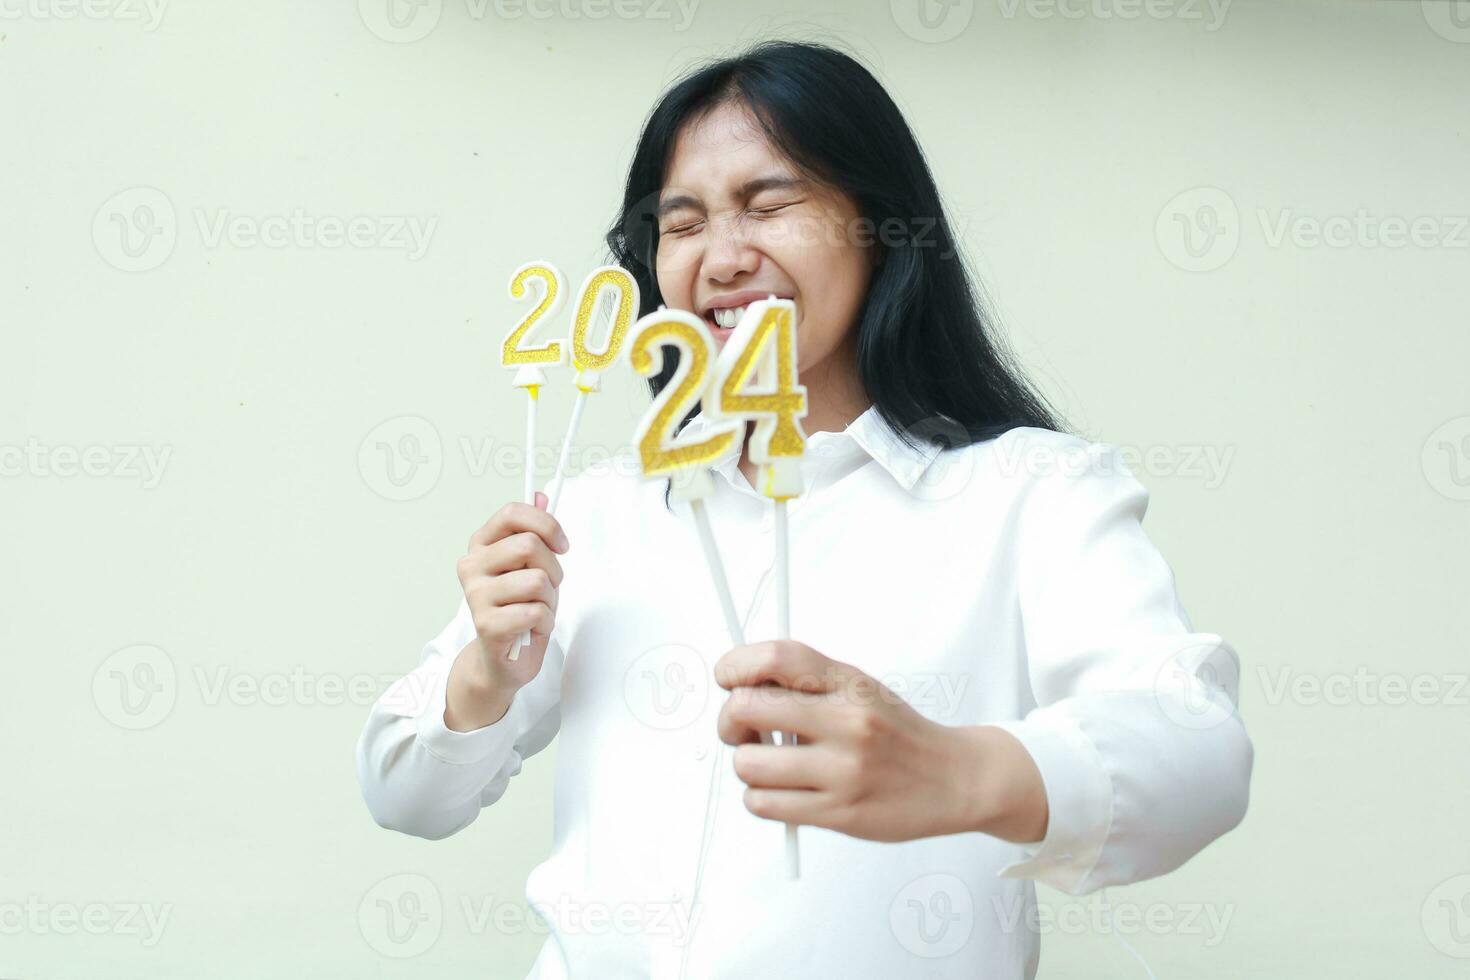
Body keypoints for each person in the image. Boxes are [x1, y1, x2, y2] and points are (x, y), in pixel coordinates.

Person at [355, 39, 1253, 980]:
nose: (724, 256)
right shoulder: (596, 511)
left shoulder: (1029, 495)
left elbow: (1197, 751)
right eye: (682, 222)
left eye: (771, 205)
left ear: (880, 227)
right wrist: (485, 676)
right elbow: (402, 795)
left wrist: (959, 771)